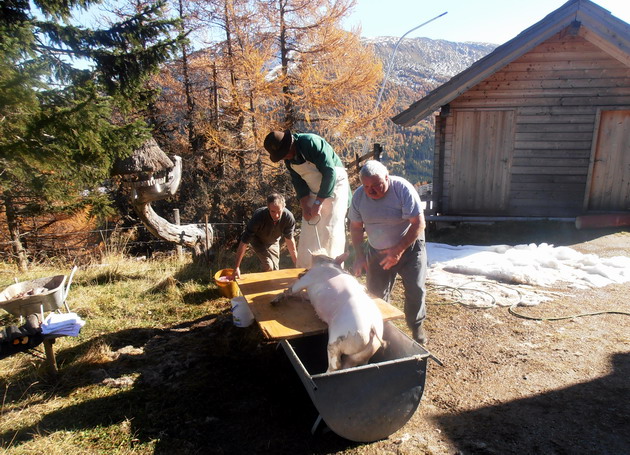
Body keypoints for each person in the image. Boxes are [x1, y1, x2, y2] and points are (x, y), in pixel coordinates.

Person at [348, 160, 428, 345]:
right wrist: (359, 256)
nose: (371, 191)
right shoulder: (359, 197)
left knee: (415, 289)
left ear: (387, 177)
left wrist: (398, 250)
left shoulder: (402, 189)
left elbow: (419, 223)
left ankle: (416, 325)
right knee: (375, 292)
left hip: (410, 248)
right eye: (366, 186)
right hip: (377, 250)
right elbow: (356, 228)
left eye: (376, 185)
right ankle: (382, 329)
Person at [263, 130, 350, 268]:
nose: (285, 157)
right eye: (281, 155)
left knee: (330, 228)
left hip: (335, 185)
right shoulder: (289, 161)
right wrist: (305, 206)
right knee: (309, 226)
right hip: (314, 189)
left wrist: (318, 202)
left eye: (285, 153)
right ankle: (307, 269)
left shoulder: (311, 143)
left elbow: (329, 172)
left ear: (290, 143)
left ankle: (332, 270)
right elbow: (299, 183)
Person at [232, 193, 298, 279]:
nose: (276, 215)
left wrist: (297, 263)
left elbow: (289, 241)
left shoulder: (288, 218)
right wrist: (236, 267)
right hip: (257, 240)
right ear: (268, 208)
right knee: (269, 266)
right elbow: (244, 243)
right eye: (273, 211)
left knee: (275, 270)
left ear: (283, 207)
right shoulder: (258, 217)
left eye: (279, 211)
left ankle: (269, 285)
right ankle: (261, 283)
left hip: (273, 241)